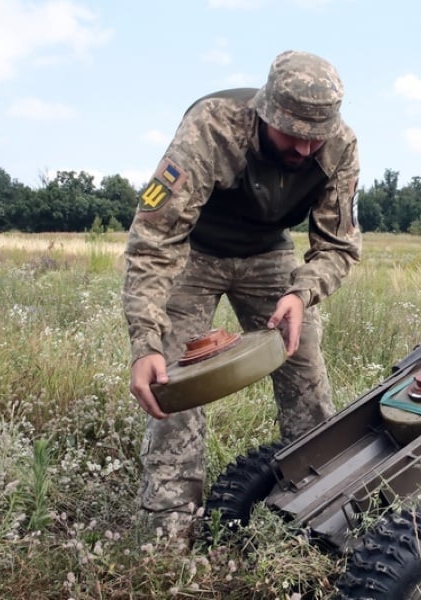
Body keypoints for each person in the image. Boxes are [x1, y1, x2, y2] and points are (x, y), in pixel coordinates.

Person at [121, 50, 361, 542]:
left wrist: (301, 292)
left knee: (305, 372)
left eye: (315, 136)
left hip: (269, 253)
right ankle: (169, 528)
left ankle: (319, 513)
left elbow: (338, 246)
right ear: (265, 110)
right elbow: (153, 238)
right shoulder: (209, 128)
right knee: (174, 385)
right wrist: (145, 342)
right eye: (292, 132)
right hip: (193, 252)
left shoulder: (338, 147)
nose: (303, 147)